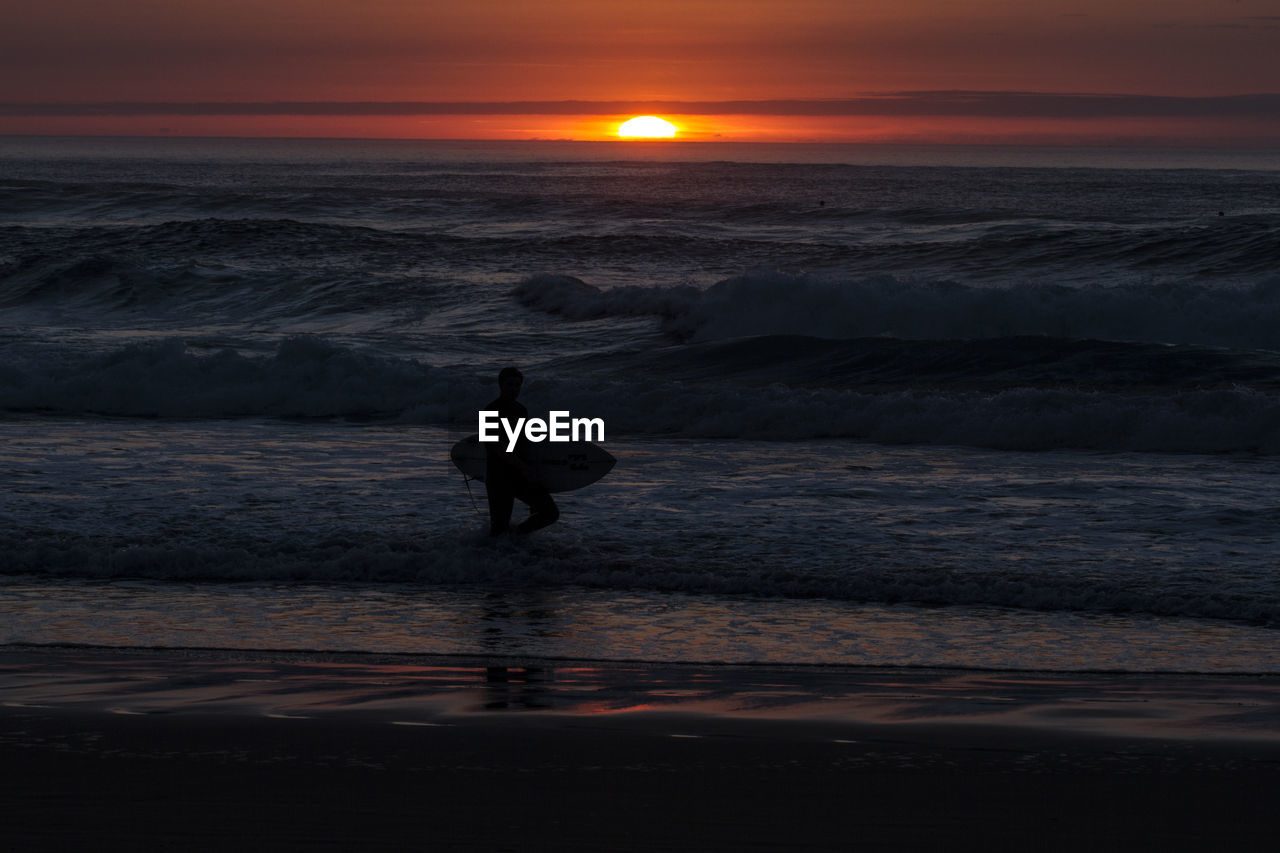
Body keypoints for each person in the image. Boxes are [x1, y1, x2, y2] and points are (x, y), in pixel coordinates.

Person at [482, 366, 559, 537]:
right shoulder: (490, 410)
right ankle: (490, 558)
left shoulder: (521, 410)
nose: (514, 389)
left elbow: (524, 444)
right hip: (498, 477)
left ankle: (516, 537)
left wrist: (533, 471)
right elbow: (496, 447)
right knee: (498, 531)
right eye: (510, 384)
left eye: (517, 385)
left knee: (550, 513)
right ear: (501, 385)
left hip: (520, 474)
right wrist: (524, 468)